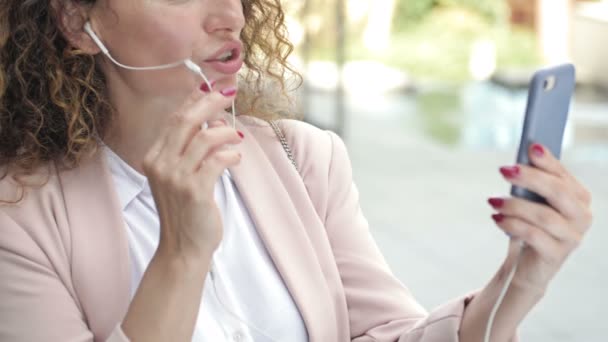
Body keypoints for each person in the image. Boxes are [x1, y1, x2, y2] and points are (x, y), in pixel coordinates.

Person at [0, 1, 593, 341]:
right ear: (79, 25)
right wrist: (181, 254)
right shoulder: (18, 222)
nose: (228, 15)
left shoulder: (303, 158)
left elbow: (385, 335)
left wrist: (518, 284)